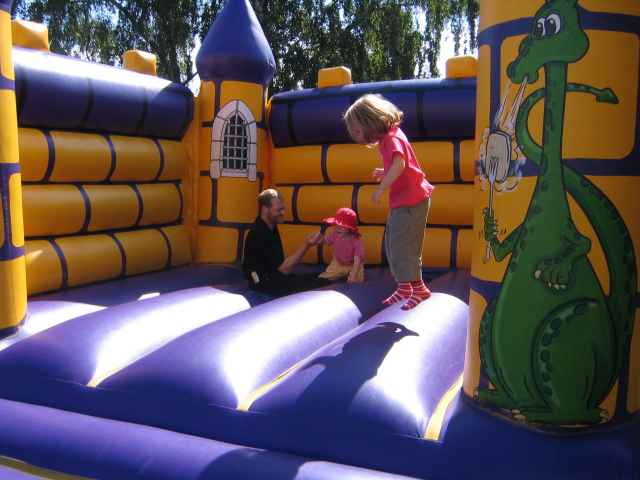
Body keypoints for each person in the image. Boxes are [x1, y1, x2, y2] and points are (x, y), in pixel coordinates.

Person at [343, 94, 434, 310]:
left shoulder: (392, 139)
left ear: (370, 122)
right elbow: (402, 165)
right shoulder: (388, 138)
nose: (356, 137)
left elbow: (400, 165)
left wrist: (382, 187)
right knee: (392, 243)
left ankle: (418, 289)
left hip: (412, 201)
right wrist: (385, 172)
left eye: (357, 131)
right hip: (403, 201)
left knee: (404, 246)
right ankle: (405, 287)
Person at [242, 188, 330, 297]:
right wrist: (307, 245)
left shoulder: (271, 227)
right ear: (265, 209)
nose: (283, 213)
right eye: (279, 210)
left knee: (320, 276)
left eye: (283, 209)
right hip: (266, 285)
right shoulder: (258, 234)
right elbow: (283, 269)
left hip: (274, 278)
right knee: (321, 282)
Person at [319, 207, 365, 283]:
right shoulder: (335, 234)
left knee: (356, 281)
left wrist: (353, 275)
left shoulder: (356, 241)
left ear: (350, 229)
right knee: (325, 277)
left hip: (353, 264)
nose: (338, 228)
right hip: (338, 263)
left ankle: (351, 276)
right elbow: (326, 241)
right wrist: (320, 238)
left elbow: (357, 260)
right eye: (336, 225)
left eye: (342, 226)